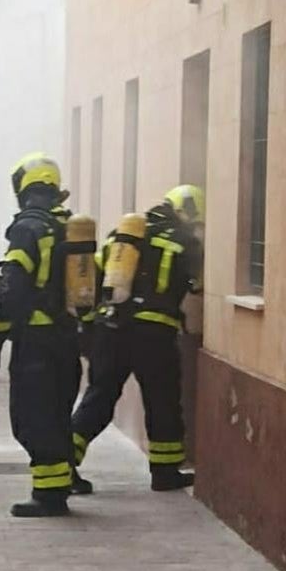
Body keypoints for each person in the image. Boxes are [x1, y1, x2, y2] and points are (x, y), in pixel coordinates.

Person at [69, 185, 204, 492]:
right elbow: (197, 285)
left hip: (111, 328)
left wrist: (89, 328)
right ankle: (165, 473)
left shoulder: (125, 235)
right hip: (154, 335)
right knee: (162, 401)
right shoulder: (185, 241)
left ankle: (63, 462)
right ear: (188, 212)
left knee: (99, 398)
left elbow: (97, 277)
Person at [0, 152, 82, 517]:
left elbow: (11, 287)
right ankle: (59, 485)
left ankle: (48, 495)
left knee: (31, 417)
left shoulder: (28, 228)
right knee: (57, 413)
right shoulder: (70, 226)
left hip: (37, 343)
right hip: (66, 339)